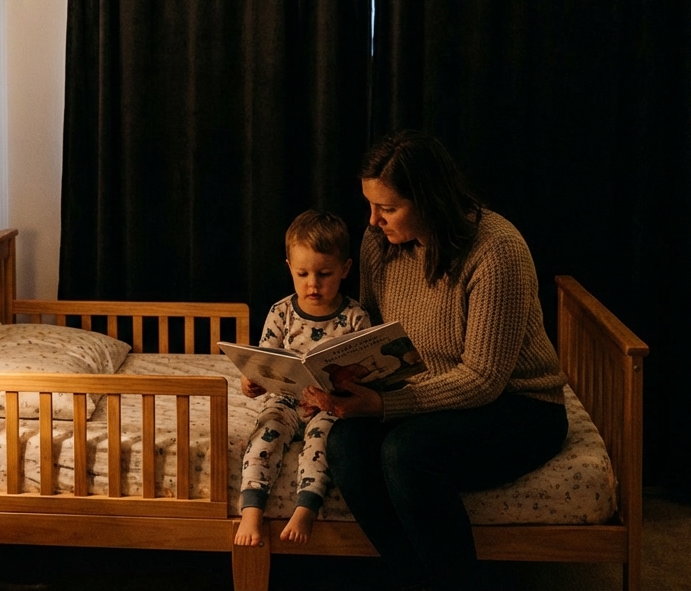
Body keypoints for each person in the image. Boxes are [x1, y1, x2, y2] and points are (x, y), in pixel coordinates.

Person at [303, 130, 569, 590]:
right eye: (370, 206)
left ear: (428, 199)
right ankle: (414, 578)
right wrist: (336, 383)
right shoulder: (378, 245)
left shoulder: (495, 250)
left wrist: (383, 406)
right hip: (426, 393)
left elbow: (483, 379)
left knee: (406, 453)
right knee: (346, 443)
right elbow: (370, 336)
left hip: (518, 404)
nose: (372, 221)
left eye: (386, 209)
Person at [235, 209, 373, 547]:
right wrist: (250, 383)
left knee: (322, 441)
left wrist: (343, 386)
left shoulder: (355, 317)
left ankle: (306, 507)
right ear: (289, 269)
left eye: (324, 274)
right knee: (264, 437)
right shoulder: (280, 312)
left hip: (328, 403)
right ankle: (252, 509)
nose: (313, 284)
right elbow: (263, 363)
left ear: (345, 270)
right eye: (302, 273)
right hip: (284, 399)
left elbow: (365, 373)